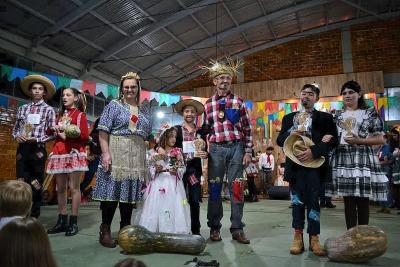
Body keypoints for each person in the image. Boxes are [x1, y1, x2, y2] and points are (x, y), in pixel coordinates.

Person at [277, 84, 338, 256]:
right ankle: (297, 237)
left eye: (310, 94)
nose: (306, 96)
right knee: (296, 202)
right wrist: (290, 132)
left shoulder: (325, 118)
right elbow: (279, 141)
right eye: (303, 93)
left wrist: (315, 151)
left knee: (314, 202)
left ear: (317, 98)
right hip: (295, 167)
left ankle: (314, 238)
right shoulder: (289, 118)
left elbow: (334, 141)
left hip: (315, 167)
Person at [92, 72, 152, 248]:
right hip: (116, 151)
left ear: (138, 88)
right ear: (121, 88)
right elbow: (102, 131)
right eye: (126, 86)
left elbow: (147, 136)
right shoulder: (114, 105)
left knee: (129, 194)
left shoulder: (144, 111)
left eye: (133, 86)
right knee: (112, 193)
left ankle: (125, 231)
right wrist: (105, 154)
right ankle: (105, 230)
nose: (129, 89)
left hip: (136, 155)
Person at [325, 80, 388, 230]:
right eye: (344, 93)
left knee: (362, 200)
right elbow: (333, 138)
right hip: (342, 158)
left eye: (351, 92)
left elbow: (381, 138)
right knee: (348, 201)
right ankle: (351, 235)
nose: (347, 95)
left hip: (363, 158)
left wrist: (360, 140)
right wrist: (329, 139)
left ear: (359, 94)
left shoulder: (370, 113)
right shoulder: (336, 116)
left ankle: (363, 236)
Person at [203, 58, 252, 244]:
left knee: (237, 188)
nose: (225, 81)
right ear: (214, 81)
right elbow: (205, 130)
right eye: (221, 78)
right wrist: (200, 144)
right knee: (215, 188)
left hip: (236, 148)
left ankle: (237, 228)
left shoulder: (238, 101)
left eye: (228, 78)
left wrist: (248, 151)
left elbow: (247, 128)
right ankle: (214, 228)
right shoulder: (208, 104)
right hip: (215, 150)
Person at [156, 99, 207, 235]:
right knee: (177, 200)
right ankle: (178, 228)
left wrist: (205, 153)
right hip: (177, 170)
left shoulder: (201, 132)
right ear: (182, 114)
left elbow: (205, 150)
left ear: (196, 113)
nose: (189, 114)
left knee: (194, 200)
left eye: (192, 111)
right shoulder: (176, 130)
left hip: (193, 170)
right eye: (186, 111)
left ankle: (196, 231)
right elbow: (162, 140)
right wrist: (159, 148)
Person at [12, 75, 56, 218]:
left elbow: (53, 133)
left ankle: (34, 217)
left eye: (40, 89)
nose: (37, 91)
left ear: (44, 92)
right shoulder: (22, 108)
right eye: (34, 88)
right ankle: (20, 215)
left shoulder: (49, 110)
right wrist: (17, 136)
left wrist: (37, 138)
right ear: (30, 91)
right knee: (21, 182)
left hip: (38, 150)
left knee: (36, 183)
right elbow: (15, 129)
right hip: (22, 149)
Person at [46, 87, 89, 236]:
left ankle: (73, 222)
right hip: (59, 152)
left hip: (74, 153)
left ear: (76, 98)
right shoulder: (60, 115)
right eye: (63, 95)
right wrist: (53, 128)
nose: (64, 97)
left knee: (74, 188)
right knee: (61, 188)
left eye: (68, 95)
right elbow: (49, 132)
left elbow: (84, 136)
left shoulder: (80, 115)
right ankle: (62, 221)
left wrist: (68, 136)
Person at [139, 124, 191, 234]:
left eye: (175, 136)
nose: (173, 139)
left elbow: (182, 167)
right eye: (171, 136)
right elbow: (148, 168)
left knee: (174, 206)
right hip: (159, 182)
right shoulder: (154, 152)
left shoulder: (177, 152)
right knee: (157, 206)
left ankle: (173, 231)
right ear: (164, 137)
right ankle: (155, 230)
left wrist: (177, 170)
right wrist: (156, 169)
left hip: (173, 184)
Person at [80, 118, 101, 202]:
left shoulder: (104, 135)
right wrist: (87, 156)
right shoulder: (93, 134)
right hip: (90, 158)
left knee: (89, 178)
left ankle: (80, 192)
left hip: (96, 158)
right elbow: (85, 144)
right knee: (87, 178)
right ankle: (78, 193)